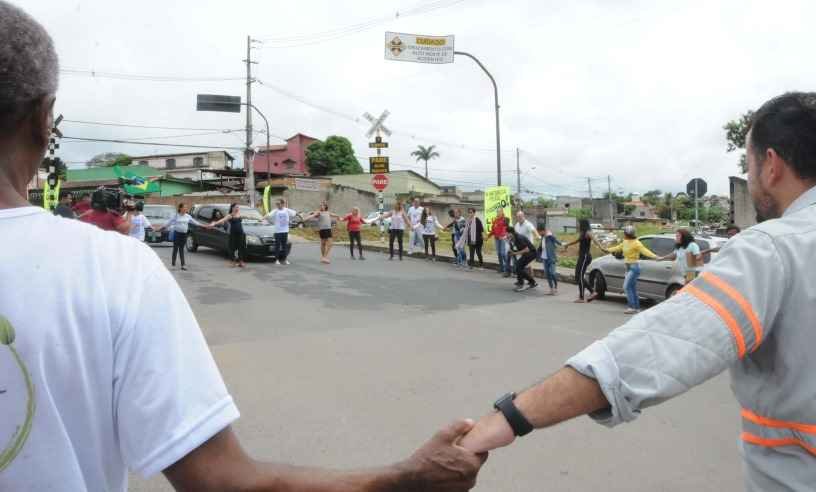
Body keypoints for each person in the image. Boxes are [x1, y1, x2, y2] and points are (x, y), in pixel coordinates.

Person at [0, 4, 487, 491]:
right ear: (45, 121)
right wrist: (407, 478)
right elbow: (223, 481)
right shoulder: (111, 269)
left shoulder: (118, 258)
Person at [458, 92, 816, 491]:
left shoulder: (775, 249)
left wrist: (507, 418)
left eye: (748, 167)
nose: (750, 181)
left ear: (771, 165)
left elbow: (657, 347)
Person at [605, 225, 657, 314]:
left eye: (624, 232)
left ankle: (632, 307)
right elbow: (618, 248)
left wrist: (656, 257)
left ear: (627, 234)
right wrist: (607, 250)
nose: (623, 234)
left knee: (626, 287)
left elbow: (645, 251)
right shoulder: (625, 242)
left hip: (634, 268)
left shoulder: (636, 243)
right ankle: (636, 308)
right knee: (632, 288)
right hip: (628, 268)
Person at [157, 203, 210, 271]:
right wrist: (160, 229)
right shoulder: (176, 216)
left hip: (184, 235)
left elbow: (195, 223)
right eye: (184, 207)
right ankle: (173, 263)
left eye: (186, 207)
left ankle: (183, 265)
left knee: (181, 249)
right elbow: (168, 223)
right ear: (180, 208)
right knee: (175, 249)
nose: (185, 209)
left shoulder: (188, 216)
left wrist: (205, 226)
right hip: (177, 234)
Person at [562, 219, 604, 303]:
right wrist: (567, 244)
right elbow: (576, 241)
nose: (578, 225)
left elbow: (595, 240)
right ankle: (592, 292)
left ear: (583, 225)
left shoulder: (588, 232)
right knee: (577, 276)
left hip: (585, 257)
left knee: (580, 276)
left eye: (579, 223)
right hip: (582, 257)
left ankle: (582, 297)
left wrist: (601, 247)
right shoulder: (582, 233)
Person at [210, 203, 247, 268]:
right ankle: (232, 262)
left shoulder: (239, 214)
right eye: (236, 207)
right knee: (232, 247)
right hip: (233, 234)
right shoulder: (230, 215)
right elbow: (222, 220)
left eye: (238, 207)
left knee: (241, 247)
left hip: (240, 233)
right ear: (232, 208)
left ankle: (241, 261)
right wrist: (215, 223)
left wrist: (259, 219)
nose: (237, 208)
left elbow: (248, 216)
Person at [263, 199, 297, 265]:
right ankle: (276, 259)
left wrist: (302, 218)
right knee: (277, 246)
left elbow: (295, 213)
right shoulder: (275, 211)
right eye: (276, 204)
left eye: (278, 204)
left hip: (285, 231)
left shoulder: (287, 210)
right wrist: (262, 218)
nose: (277, 205)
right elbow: (268, 215)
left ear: (282, 204)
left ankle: (285, 259)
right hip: (277, 231)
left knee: (284, 246)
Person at [506, 225, 538, 292]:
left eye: (507, 233)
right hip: (526, 253)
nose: (506, 234)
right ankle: (531, 282)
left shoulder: (519, 238)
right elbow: (516, 248)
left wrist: (515, 253)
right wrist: (511, 248)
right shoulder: (513, 237)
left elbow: (526, 249)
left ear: (510, 233)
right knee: (518, 267)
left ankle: (522, 284)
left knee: (518, 267)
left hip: (531, 253)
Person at [537, 225, 563, 296]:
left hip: (551, 258)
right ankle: (551, 289)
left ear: (543, 231)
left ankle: (555, 287)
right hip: (544, 258)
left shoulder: (550, 236)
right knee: (547, 274)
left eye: (539, 232)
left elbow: (557, 241)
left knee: (552, 273)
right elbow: (541, 246)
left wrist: (564, 244)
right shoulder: (543, 237)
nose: (539, 233)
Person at [512, 211, 539, 277]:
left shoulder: (528, 224)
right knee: (523, 262)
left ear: (523, 216)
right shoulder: (517, 224)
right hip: (520, 246)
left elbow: (534, 230)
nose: (519, 218)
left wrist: (537, 236)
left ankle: (530, 276)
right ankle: (524, 276)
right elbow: (515, 233)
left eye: (520, 216)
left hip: (528, 246)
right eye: (518, 216)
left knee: (527, 262)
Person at [488, 209, 510, 277]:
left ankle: (508, 268)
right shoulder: (495, 220)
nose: (498, 213)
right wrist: (488, 237)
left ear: (502, 212)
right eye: (497, 212)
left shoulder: (505, 219)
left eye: (499, 212)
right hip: (496, 239)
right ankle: (502, 268)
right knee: (499, 253)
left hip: (502, 239)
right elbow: (493, 230)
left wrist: (502, 235)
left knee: (503, 253)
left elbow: (505, 228)